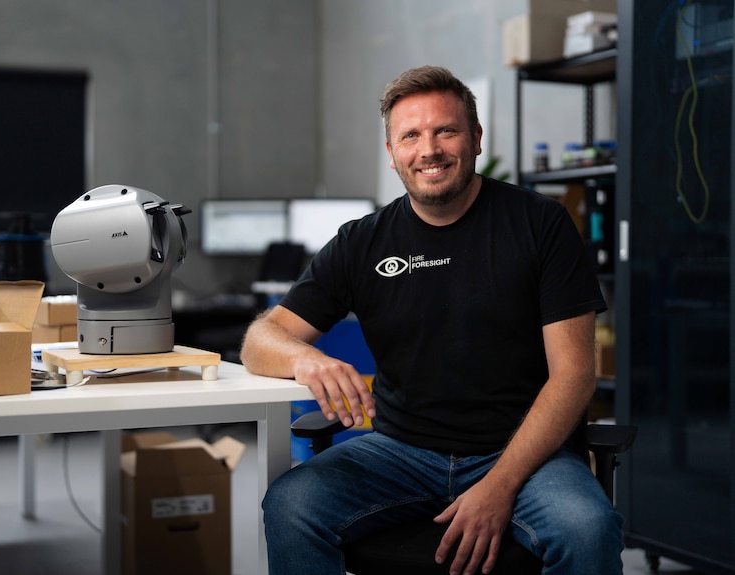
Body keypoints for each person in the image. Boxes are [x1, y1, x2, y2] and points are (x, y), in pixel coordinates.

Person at [239, 65, 623, 575]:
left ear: (476, 138)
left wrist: (499, 485)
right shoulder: (362, 242)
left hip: (524, 453)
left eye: (446, 130)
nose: (430, 149)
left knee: (587, 528)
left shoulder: (539, 224)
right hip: (401, 453)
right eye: (411, 136)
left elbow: (575, 373)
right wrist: (305, 359)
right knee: (291, 505)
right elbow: (260, 339)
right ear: (392, 152)